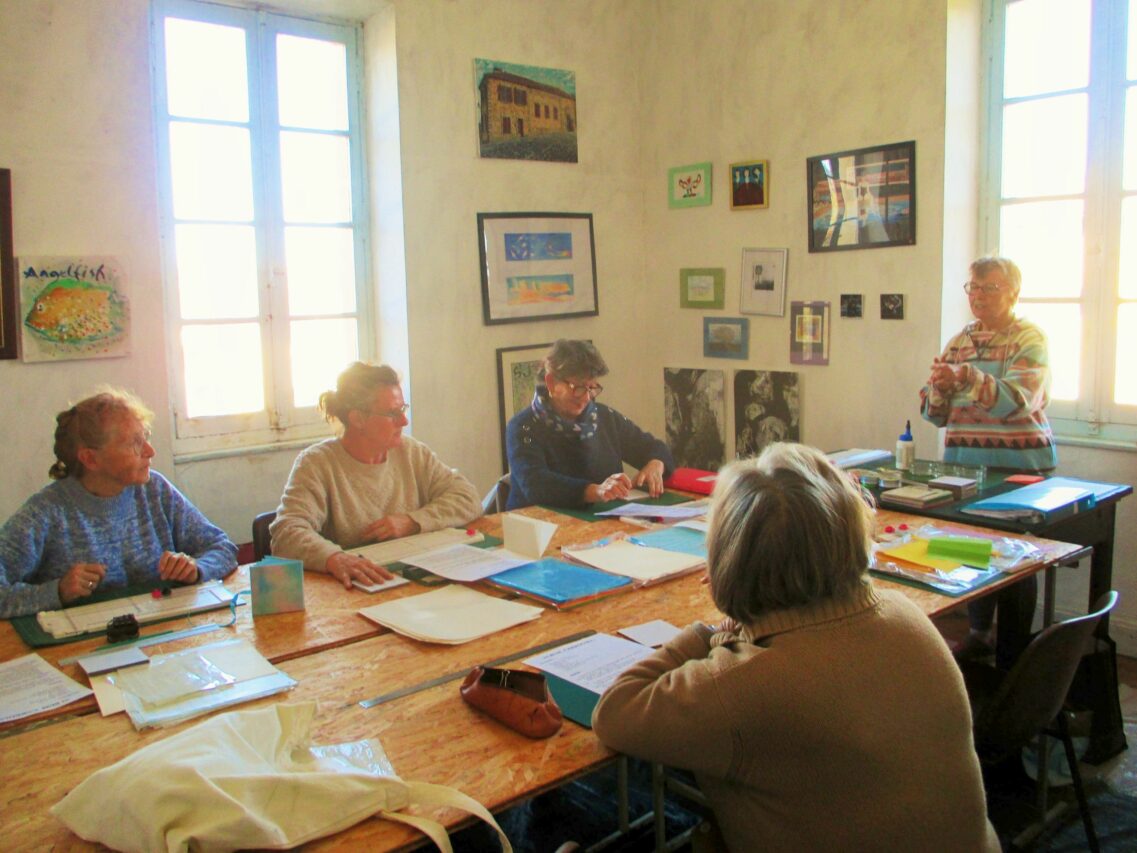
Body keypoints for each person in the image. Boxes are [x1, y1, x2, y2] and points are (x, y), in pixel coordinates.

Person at [592, 444, 999, 852]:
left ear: (727, 562)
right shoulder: (903, 613)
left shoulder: (744, 682)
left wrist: (707, 631)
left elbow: (614, 712)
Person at [920, 256, 1056, 666]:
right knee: (972, 554)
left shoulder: (1028, 338)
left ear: (1013, 292)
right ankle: (979, 635)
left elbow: (1017, 401)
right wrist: (942, 389)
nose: (979, 297)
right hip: (963, 467)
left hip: (1019, 469)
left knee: (1016, 560)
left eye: (990, 288)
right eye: (973, 289)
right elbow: (932, 411)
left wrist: (966, 380)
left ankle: (1016, 654)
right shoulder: (961, 340)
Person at [0, 388, 237, 619]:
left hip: (161, 633)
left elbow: (222, 548)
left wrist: (196, 568)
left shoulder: (155, 490)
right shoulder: (45, 512)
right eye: (134, 443)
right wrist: (57, 591)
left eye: (146, 437)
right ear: (90, 458)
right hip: (80, 647)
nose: (150, 451)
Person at [270, 362, 481, 589]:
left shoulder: (411, 452)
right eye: (393, 413)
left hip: (412, 583)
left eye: (403, 409)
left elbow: (467, 498)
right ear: (358, 418)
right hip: (352, 590)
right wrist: (334, 558)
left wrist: (412, 521)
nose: (404, 421)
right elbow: (287, 532)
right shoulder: (317, 463)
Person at [505, 340, 674, 509]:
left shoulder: (604, 417)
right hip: (538, 526)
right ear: (551, 383)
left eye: (591, 388)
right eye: (577, 387)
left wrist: (656, 464)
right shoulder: (523, 426)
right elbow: (536, 484)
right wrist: (596, 491)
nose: (586, 397)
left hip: (601, 524)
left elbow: (652, 447)